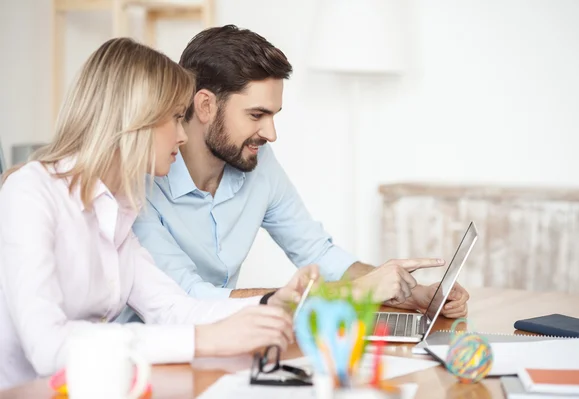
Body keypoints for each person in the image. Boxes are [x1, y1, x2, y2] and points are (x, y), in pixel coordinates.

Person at [0, 37, 317, 390]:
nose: (183, 136)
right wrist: (203, 341)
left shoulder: (117, 207)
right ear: (135, 121)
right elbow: (48, 347)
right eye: (176, 119)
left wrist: (270, 304)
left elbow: (174, 309)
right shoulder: (30, 193)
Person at [125, 25, 469, 324]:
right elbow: (187, 297)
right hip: (155, 354)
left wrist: (407, 293)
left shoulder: (258, 161)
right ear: (205, 106)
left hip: (229, 339)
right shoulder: (140, 180)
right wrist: (353, 292)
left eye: (273, 115)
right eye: (256, 114)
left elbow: (316, 251)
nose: (271, 133)